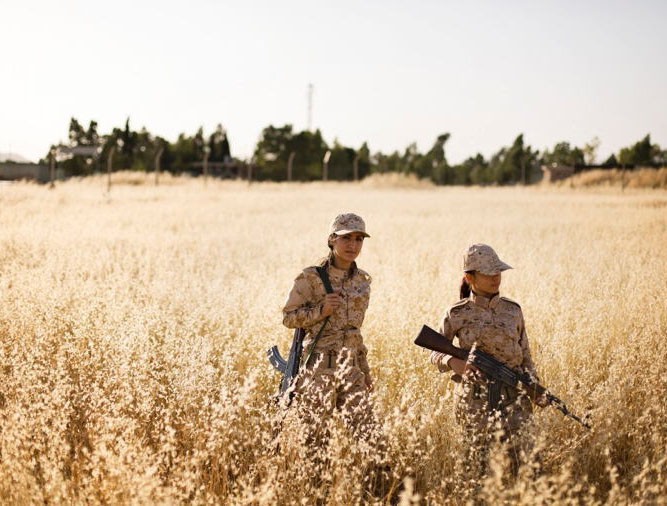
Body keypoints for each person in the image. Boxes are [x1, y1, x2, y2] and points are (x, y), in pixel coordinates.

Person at [430, 243, 546, 482]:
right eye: (488, 273)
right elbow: (434, 352)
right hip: (475, 403)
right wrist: (454, 362)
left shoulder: (513, 311)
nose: (496, 277)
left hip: (515, 399)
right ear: (469, 277)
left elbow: (525, 356)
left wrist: (535, 388)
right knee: (477, 472)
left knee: (525, 469)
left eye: (498, 271)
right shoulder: (457, 313)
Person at [281, 212, 376, 443]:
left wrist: (365, 370)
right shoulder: (310, 277)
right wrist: (320, 311)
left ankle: (377, 479)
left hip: (351, 368)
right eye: (346, 238)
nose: (353, 245)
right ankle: (318, 481)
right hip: (318, 371)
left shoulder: (362, 281)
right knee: (316, 443)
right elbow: (289, 317)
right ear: (332, 239)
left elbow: (355, 331)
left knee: (371, 438)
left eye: (358, 239)